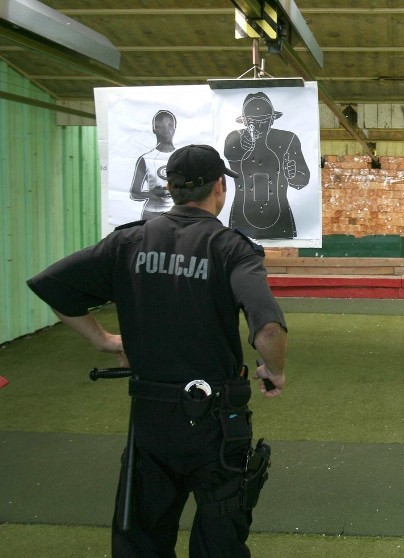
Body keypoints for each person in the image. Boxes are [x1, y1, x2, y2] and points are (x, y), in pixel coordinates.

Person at [27, 144, 289, 557]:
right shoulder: (233, 247)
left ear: (170, 187)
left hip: (150, 417)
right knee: (221, 535)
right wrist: (274, 371)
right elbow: (269, 329)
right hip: (217, 419)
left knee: (141, 538)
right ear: (220, 187)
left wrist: (105, 340)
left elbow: (52, 285)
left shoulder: (127, 241)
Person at [224, 92, 310, 239]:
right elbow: (230, 154)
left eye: (263, 120)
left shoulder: (288, 139)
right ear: (245, 122)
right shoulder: (235, 138)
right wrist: (242, 144)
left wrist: (292, 174)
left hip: (279, 218)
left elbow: (303, 179)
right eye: (252, 121)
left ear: (272, 120)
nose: (257, 126)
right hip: (242, 219)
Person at [130, 110, 178, 220]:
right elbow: (134, 193)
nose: (167, 130)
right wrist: (152, 194)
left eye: (170, 125)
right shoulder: (145, 159)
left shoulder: (181, 157)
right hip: (151, 214)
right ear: (154, 129)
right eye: (161, 126)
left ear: (175, 129)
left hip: (176, 213)